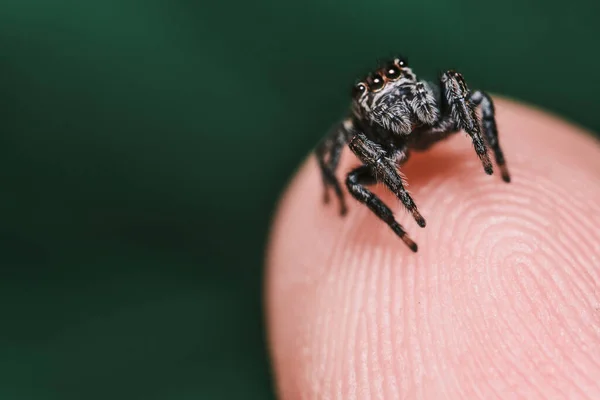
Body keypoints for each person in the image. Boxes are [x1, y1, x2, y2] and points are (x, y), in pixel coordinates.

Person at [266, 98, 600, 399]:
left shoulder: (427, 99)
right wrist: (369, 197)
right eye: (377, 92)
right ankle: (398, 220)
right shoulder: (359, 132)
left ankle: (490, 153)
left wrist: (482, 149)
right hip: (388, 152)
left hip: (433, 131)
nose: (394, 99)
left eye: (399, 80)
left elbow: (465, 96)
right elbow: (333, 150)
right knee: (353, 179)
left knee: (475, 98)